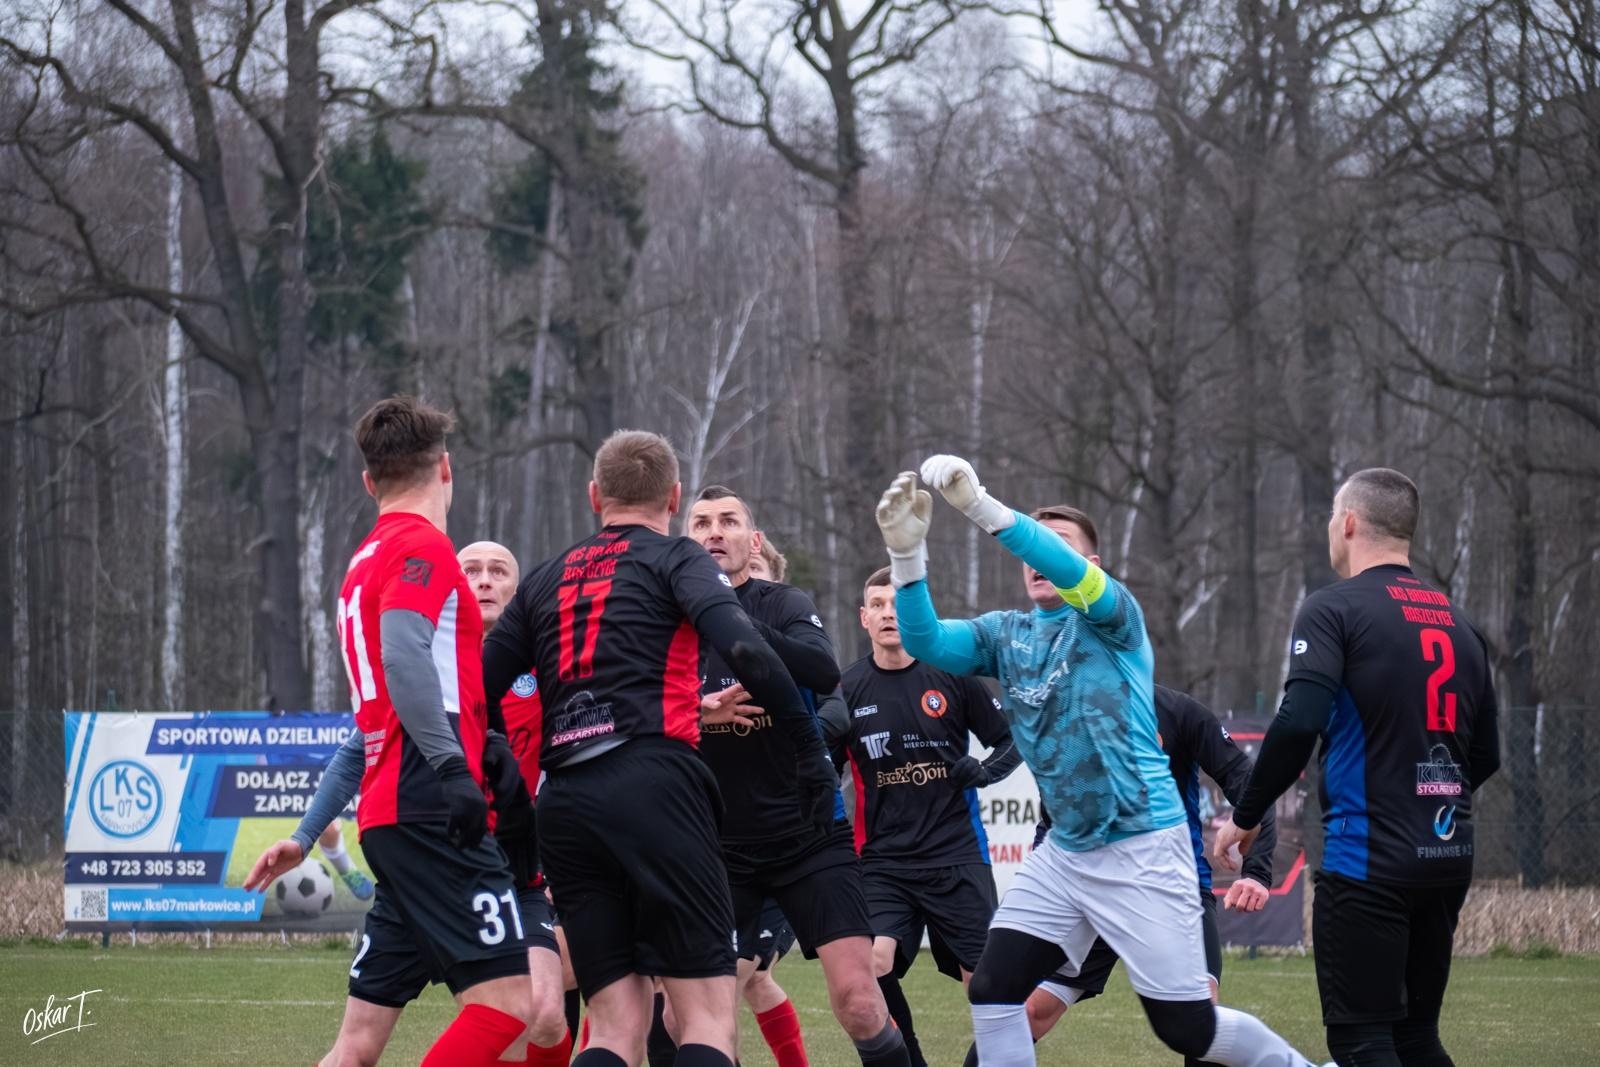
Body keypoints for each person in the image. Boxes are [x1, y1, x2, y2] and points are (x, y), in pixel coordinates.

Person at [875, 455, 1318, 1067]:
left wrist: (984, 508)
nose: (1037, 556)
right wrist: (907, 558)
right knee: (995, 989)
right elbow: (924, 641)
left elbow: (1063, 566)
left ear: (1092, 564)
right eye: (1034, 543)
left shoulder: (1115, 619)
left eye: (1055, 544)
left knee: (1187, 1029)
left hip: (1143, 848)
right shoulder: (1008, 636)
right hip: (1066, 853)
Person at [480, 431, 837, 1067]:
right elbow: (748, 650)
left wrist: (491, 777)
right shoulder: (676, 558)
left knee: (614, 1026)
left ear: (595, 497)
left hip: (565, 801)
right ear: (673, 498)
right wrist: (811, 753)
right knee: (704, 1017)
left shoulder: (542, 578)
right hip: (656, 784)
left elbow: (476, 693)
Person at [1215, 468, 1500, 1067]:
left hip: (1367, 863)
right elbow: (1486, 755)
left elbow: (1298, 721)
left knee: (1362, 1040)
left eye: (1330, 518)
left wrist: (1245, 817)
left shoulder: (1332, 610)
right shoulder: (1462, 624)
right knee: (1416, 1037)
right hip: (1446, 862)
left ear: (1348, 523)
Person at [246, 539, 570, 1067]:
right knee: (359, 1044)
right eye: (471, 570)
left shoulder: (545, 668)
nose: (484, 579)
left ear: (519, 590)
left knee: (543, 1013)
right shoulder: (427, 671)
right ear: (454, 592)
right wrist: (304, 836)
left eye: (498, 570)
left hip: (512, 872)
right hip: (428, 862)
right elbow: (357, 753)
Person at [304, 397, 537, 1065]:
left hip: (390, 809)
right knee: (508, 1001)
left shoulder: (362, 560)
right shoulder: (422, 547)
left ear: (368, 481)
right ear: (446, 469)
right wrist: (452, 767)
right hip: (429, 805)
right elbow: (405, 652)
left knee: (357, 1041)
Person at [685, 485, 911, 1067]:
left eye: (729, 521)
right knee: (688, 1015)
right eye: (702, 522)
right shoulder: (665, 619)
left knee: (861, 1003)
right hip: (713, 844)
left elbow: (821, 670)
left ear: (752, 540)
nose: (715, 531)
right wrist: (700, 708)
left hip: (808, 834)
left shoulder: (782, 602)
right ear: (685, 542)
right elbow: (625, 704)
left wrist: (734, 622)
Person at [966, 681, 1278, 1066]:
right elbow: (1053, 821)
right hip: (1085, 894)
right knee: (1022, 1010)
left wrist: (1257, 872)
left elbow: (1251, 784)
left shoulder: (1178, 711)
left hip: (1168, 892)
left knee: (1200, 1026)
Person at [828, 565, 1021, 1067]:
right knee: (872, 966)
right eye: (878, 604)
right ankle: (908, 1058)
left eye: (898, 603)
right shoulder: (845, 688)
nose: (889, 612)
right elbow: (818, 770)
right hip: (883, 863)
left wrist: (981, 771)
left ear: (916, 613)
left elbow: (1012, 741)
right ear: (864, 617)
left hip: (956, 854)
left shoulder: (953, 675)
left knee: (987, 988)